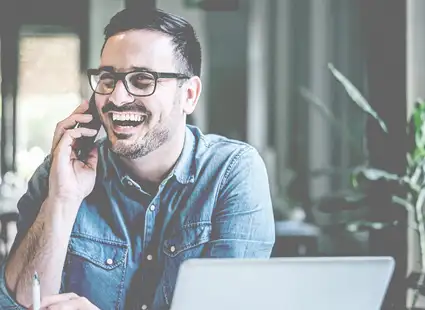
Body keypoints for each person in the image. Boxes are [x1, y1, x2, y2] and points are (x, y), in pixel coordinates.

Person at [0, 6, 275, 310]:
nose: (117, 98)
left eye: (143, 80)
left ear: (189, 95)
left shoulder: (232, 172)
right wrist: (62, 200)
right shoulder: (62, 171)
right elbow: (19, 303)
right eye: (108, 79)